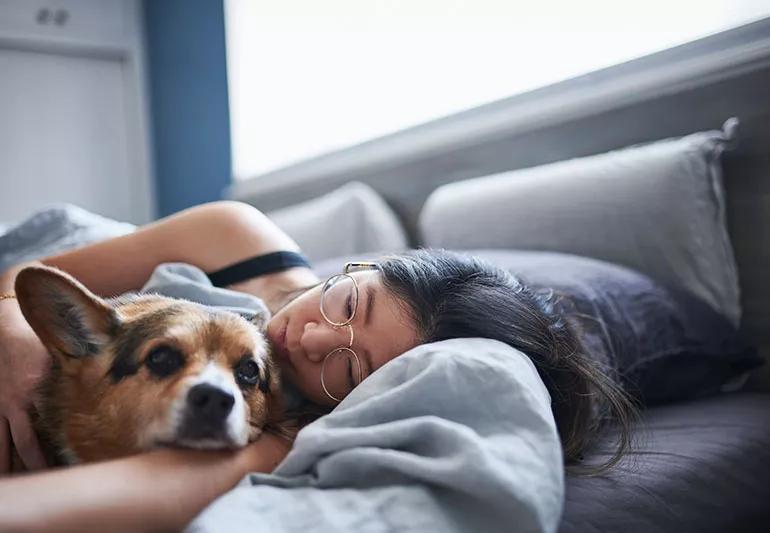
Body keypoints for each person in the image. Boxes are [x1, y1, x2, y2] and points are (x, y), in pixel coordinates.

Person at [0, 201, 636, 531]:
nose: (309, 339)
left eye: (349, 369)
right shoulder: (235, 234)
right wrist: (15, 331)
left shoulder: (290, 421)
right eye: (348, 303)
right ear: (358, 267)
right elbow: (17, 286)